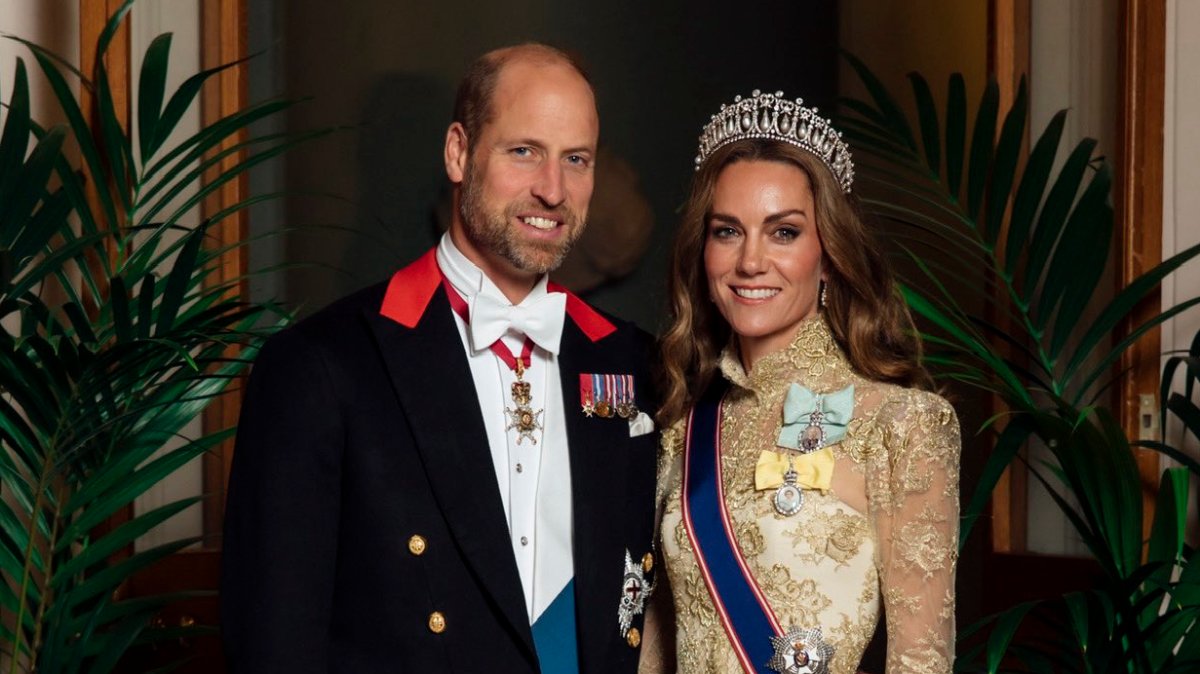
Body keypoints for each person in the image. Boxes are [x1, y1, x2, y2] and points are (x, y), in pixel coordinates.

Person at [221, 43, 660, 673]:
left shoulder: (632, 364)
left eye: (576, 159)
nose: (552, 189)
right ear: (459, 152)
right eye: (524, 151)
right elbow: (273, 645)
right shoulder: (322, 366)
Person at [642, 90, 960, 674]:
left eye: (783, 232)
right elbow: (657, 647)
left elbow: (922, 660)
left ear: (829, 253)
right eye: (727, 231)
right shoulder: (682, 427)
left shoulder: (900, 423)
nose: (751, 262)